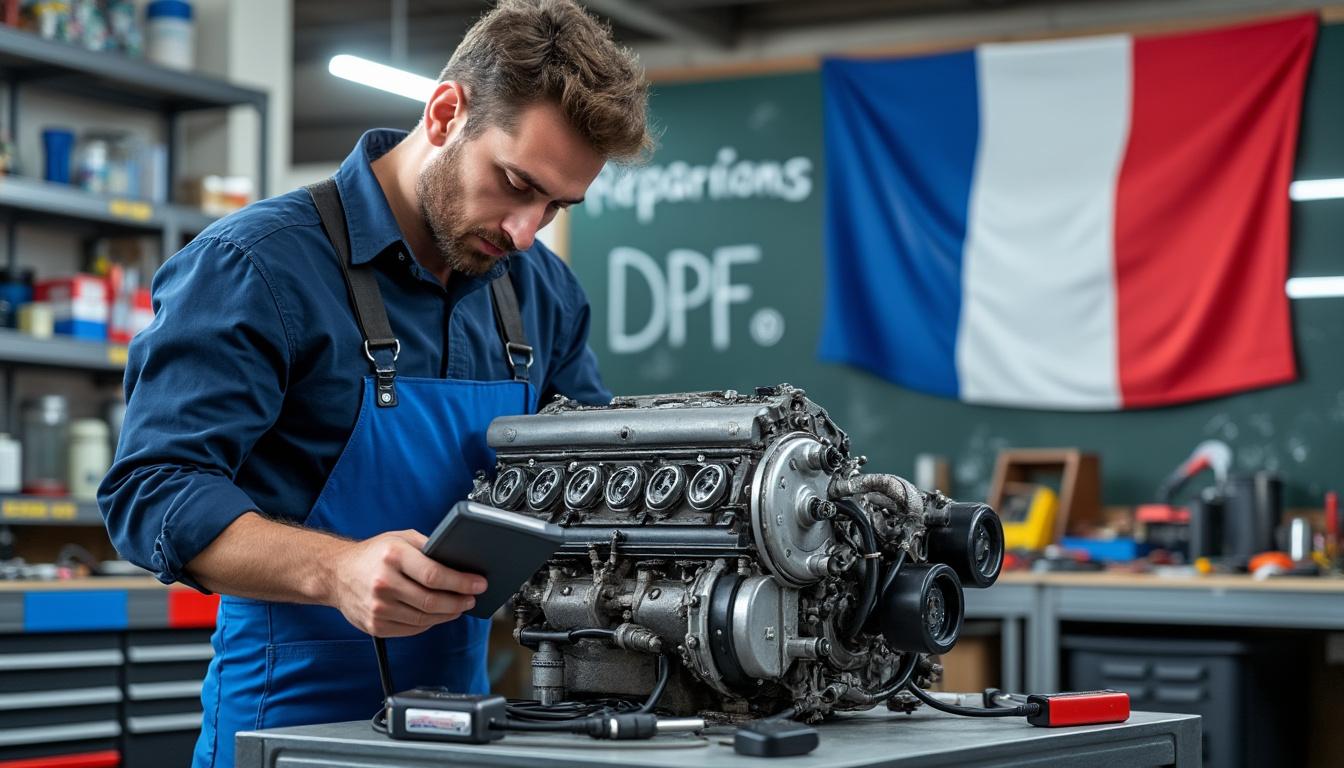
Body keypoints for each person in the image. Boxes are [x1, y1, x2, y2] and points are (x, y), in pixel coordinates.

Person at [97, 2, 650, 765]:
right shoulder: (255, 266)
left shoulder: (543, 295)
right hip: (285, 729)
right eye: (515, 183)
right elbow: (151, 489)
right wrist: (336, 570)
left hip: (463, 730)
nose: (526, 230)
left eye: (556, 204)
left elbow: (590, 483)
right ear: (446, 112)